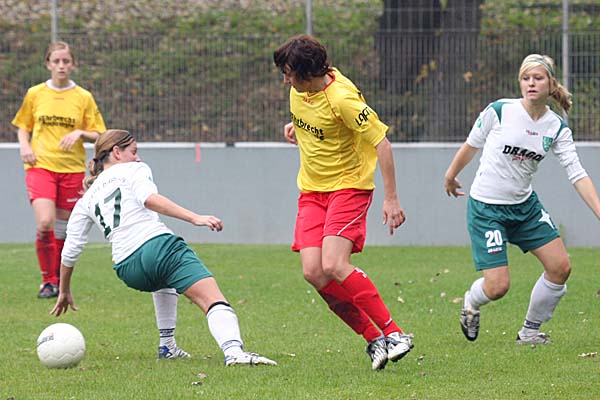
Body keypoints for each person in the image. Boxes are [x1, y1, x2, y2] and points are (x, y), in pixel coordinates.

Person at [50, 129, 277, 366]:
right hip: (158, 247)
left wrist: (64, 290)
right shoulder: (134, 169)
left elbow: (70, 250)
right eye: (133, 151)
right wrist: (194, 217)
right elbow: (149, 198)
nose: (137, 157)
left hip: (128, 269)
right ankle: (234, 352)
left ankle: (167, 346)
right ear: (117, 152)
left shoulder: (86, 199)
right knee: (212, 299)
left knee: (163, 278)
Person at [273, 34, 413, 371]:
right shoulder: (300, 91)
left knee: (335, 264)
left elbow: (382, 143)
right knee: (313, 272)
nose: (286, 81)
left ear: (308, 73)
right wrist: (298, 128)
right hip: (312, 191)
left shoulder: (343, 99)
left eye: (290, 74)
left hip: (348, 187)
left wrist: (391, 198)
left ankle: (395, 333)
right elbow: (317, 119)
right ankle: (374, 339)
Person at [444, 54, 600, 344]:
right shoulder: (500, 110)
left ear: (550, 83)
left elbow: (577, 173)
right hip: (487, 209)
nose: (531, 83)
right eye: (526, 78)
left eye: (538, 78)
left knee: (560, 267)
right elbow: (471, 145)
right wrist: (450, 175)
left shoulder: (556, 127)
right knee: (498, 287)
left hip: (525, 208)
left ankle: (529, 333)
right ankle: (471, 303)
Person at [12, 41, 106, 298]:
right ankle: (47, 280)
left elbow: (99, 133)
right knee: (45, 222)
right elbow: (23, 127)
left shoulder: (83, 97)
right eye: (56, 61)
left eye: (66, 61)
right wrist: (24, 145)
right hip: (40, 165)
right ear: (48, 64)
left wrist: (80, 133)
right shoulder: (36, 93)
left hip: (72, 169)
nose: (61, 65)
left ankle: (56, 283)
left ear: (73, 64)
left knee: (64, 229)